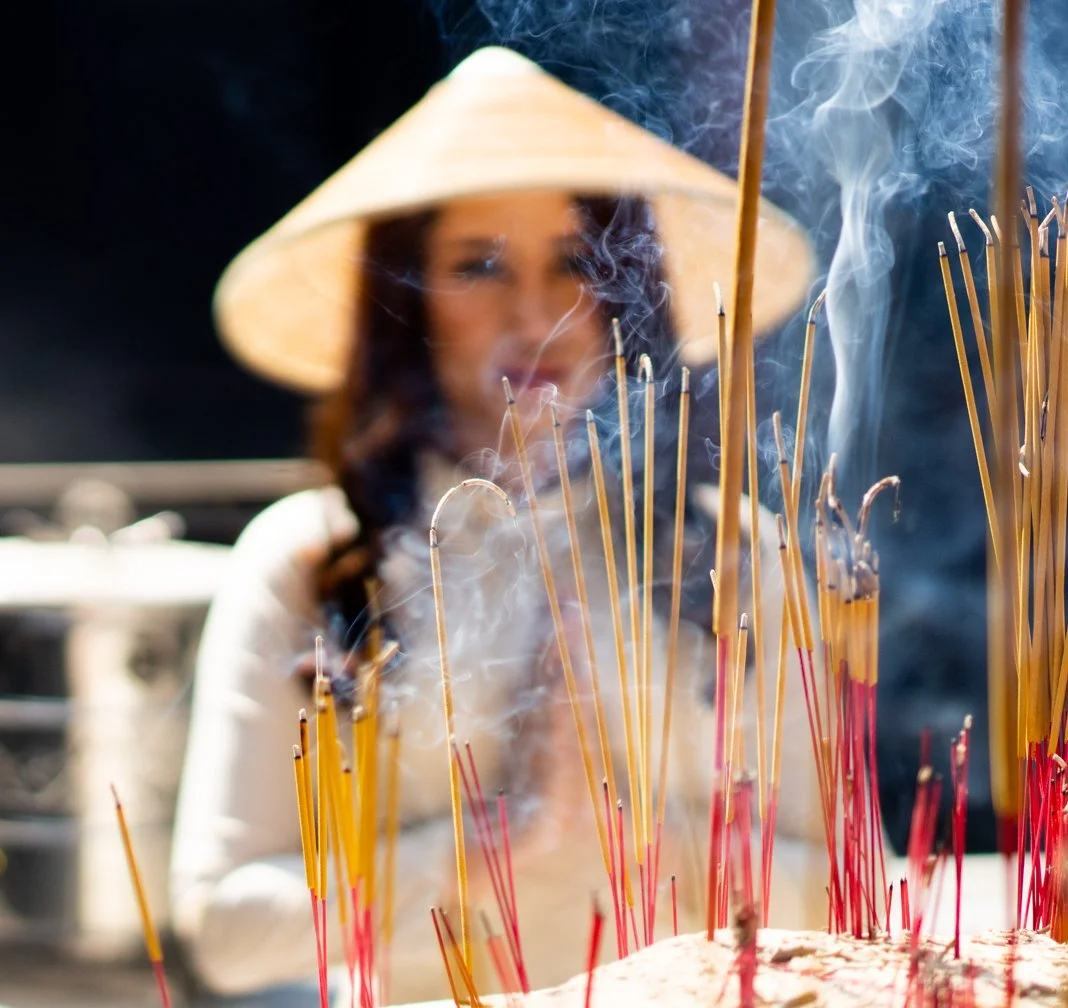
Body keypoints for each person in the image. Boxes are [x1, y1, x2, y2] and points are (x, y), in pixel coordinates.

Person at [170, 46, 823, 1006]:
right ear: (404, 304)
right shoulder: (311, 559)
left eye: (576, 262)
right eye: (477, 266)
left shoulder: (732, 553)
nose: (536, 313)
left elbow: (848, 894)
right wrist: (485, 846)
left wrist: (647, 843)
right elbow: (225, 930)